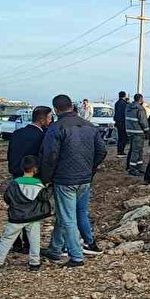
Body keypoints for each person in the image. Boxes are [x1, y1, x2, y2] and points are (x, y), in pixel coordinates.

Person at [39, 94, 107, 266]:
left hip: (65, 180)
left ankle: (76, 256)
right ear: (72, 106)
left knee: (67, 218)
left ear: (56, 110)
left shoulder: (56, 128)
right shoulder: (89, 126)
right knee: (68, 215)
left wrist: (46, 178)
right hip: (85, 178)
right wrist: (91, 169)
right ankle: (55, 249)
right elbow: (102, 151)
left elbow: (50, 156)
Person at [0, 155, 52, 274]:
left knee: (7, 239)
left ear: (22, 168)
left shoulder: (14, 183)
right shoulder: (38, 184)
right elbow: (44, 197)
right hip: (33, 217)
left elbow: (7, 198)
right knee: (34, 240)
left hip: (16, 217)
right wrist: (50, 187)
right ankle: (34, 263)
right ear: (35, 169)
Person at [7, 106, 51, 253]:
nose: (50, 121)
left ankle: (15, 240)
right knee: (30, 208)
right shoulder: (42, 136)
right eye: (49, 118)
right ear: (42, 119)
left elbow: (10, 153)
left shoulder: (17, 133)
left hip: (16, 172)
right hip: (32, 175)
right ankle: (28, 242)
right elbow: (44, 157)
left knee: (16, 205)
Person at [124, 93, 149, 176]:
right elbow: (143, 122)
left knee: (134, 150)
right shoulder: (140, 109)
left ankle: (138, 166)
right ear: (141, 99)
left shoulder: (128, 107)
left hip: (130, 132)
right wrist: (147, 131)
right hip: (138, 133)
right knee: (137, 151)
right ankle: (133, 168)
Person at [114, 91, 130, 156]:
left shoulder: (117, 103)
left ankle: (119, 150)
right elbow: (125, 113)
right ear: (125, 96)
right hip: (123, 122)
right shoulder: (124, 103)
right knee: (123, 137)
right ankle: (121, 151)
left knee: (120, 137)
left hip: (118, 122)